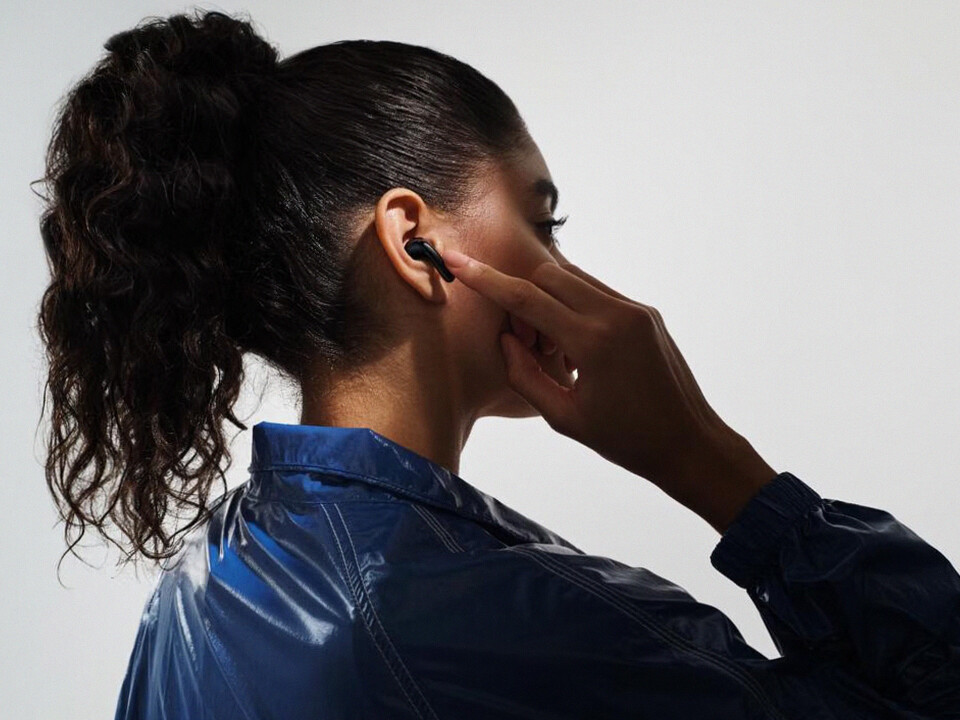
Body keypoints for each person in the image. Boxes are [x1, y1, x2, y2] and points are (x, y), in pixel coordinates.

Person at [34, 9, 959, 719]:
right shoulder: (504, 619)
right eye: (543, 222)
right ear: (414, 241)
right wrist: (705, 458)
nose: (567, 269)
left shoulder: (196, 589)